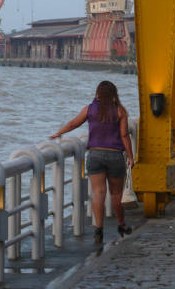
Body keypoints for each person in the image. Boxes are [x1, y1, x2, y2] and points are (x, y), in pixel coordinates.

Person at [50, 81, 135, 243]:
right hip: (115, 156)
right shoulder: (120, 111)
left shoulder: (89, 109)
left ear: (98, 93)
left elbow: (73, 123)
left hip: (95, 155)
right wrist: (130, 157)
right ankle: (122, 224)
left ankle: (99, 229)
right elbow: (124, 135)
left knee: (98, 193)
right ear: (113, 94)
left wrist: (58, 133)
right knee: (116, 194)